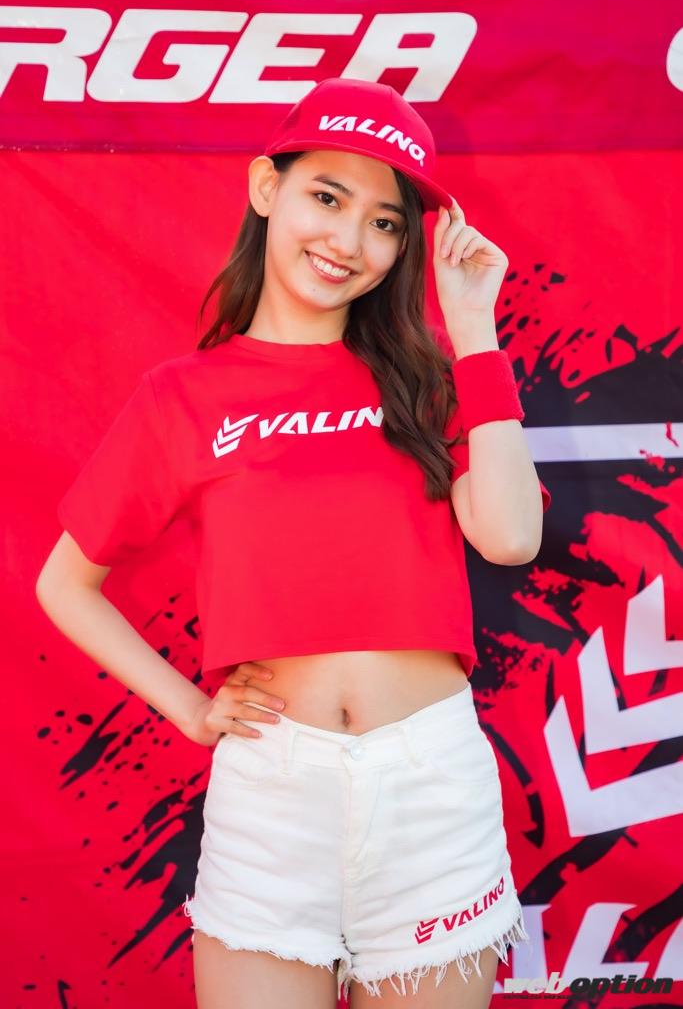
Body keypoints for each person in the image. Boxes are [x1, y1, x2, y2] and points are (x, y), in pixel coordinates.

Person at [36, 78, 551, 1008]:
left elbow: (511, 537)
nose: (349, 241)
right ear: (266, 188)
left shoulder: (430, 382)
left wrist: (473, 329)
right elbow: (64, 583)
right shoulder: (182, 396)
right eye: (327, 197)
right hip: (273, 795)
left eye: (384, 223)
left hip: (430, 784)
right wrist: (190, 710)